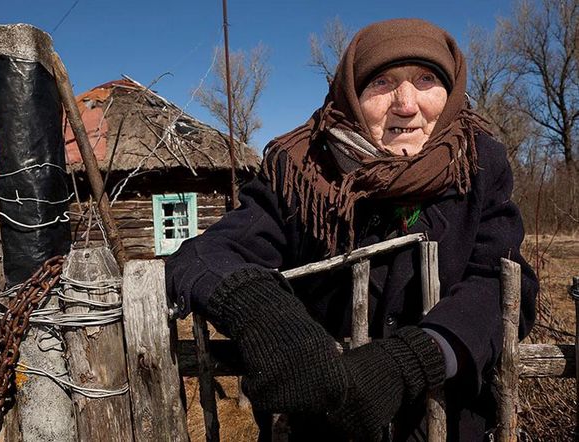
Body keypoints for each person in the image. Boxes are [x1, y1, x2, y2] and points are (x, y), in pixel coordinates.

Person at [165, 18, 537, 441]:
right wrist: (260, 310)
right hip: (322, 428)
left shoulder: (479, 164)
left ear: (450, 92)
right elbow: (204, 255)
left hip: (448, 425)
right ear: (352, 93)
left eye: (426, 79)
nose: (406, 104)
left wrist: (417, 357)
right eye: (381, 82)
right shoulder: (302, 169)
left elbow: (504, 283)